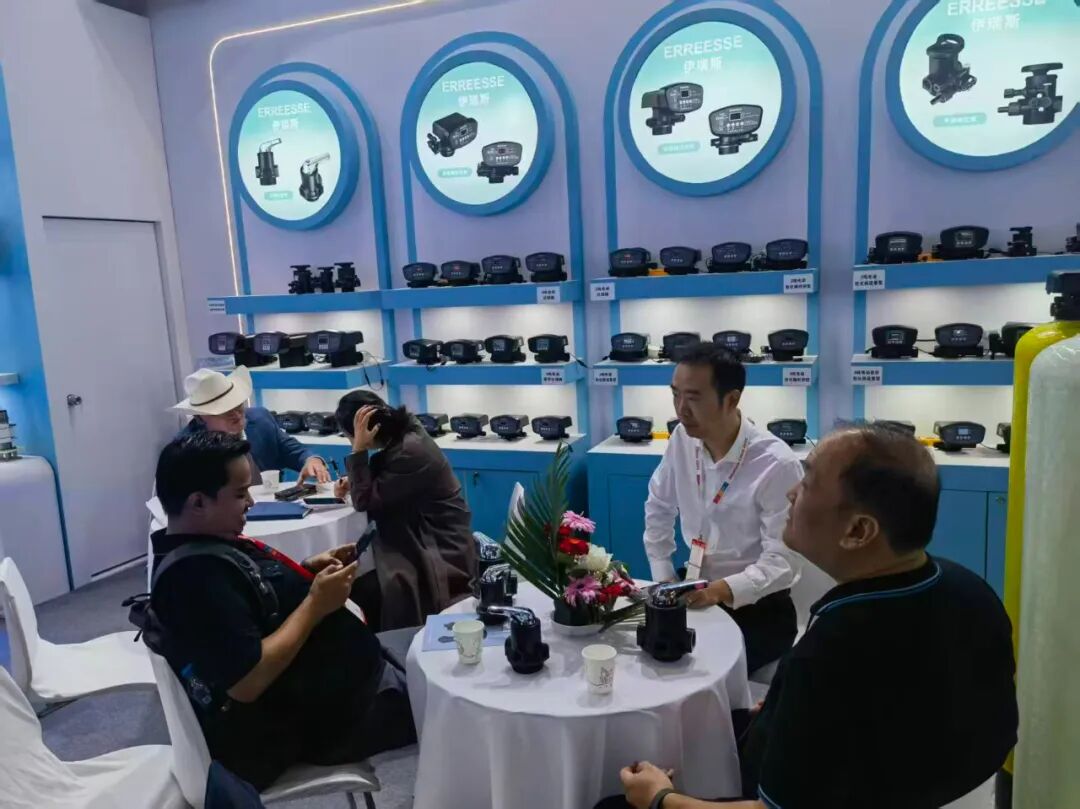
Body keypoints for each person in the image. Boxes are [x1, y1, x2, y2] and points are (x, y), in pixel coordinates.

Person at [605, 424, 1018, 809]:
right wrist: (786, 710)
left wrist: (660, 798)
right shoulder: (972, 591)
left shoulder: (831, 654)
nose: (791, 494)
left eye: (807, 483)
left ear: (858, 531)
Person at [145, 431, 414, 789]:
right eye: (240, 494)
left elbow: (249, 608)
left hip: (352, 679)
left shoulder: (202, 548)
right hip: (339, 716)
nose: (250, 503)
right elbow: (247, 681)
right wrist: (315, 604)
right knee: (452, 689)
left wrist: (305, 572)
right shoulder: (197, 580)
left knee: (433, 645)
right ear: (198, 503)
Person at [644, 342, 804, 672]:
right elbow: (659, 505)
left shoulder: (776, 464)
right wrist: (663, 575)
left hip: (757, 606)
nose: (681, 409)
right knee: (649, 658)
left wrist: (721, 591)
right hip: (693, 586)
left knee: (700, 670)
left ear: (731, 400)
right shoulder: (682, 439)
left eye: (693, 398)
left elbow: (783, 560)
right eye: (675, 395)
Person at [333, 390, 476, 631]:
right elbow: (391, 479)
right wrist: (356, 478)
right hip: (418, 527)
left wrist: (358, 452)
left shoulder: (411, 449)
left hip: (437, 542)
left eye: (350, 436)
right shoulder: (406, 433)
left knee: (365, 586)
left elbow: (363, 501)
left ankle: (385, 640)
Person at [173, 365, 330, 484]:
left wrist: (312, 460)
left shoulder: (260, 419)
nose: (236, 414)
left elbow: (294, 451)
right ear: (200, 418)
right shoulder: (186, 449)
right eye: (225, 410)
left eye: (238, 404)